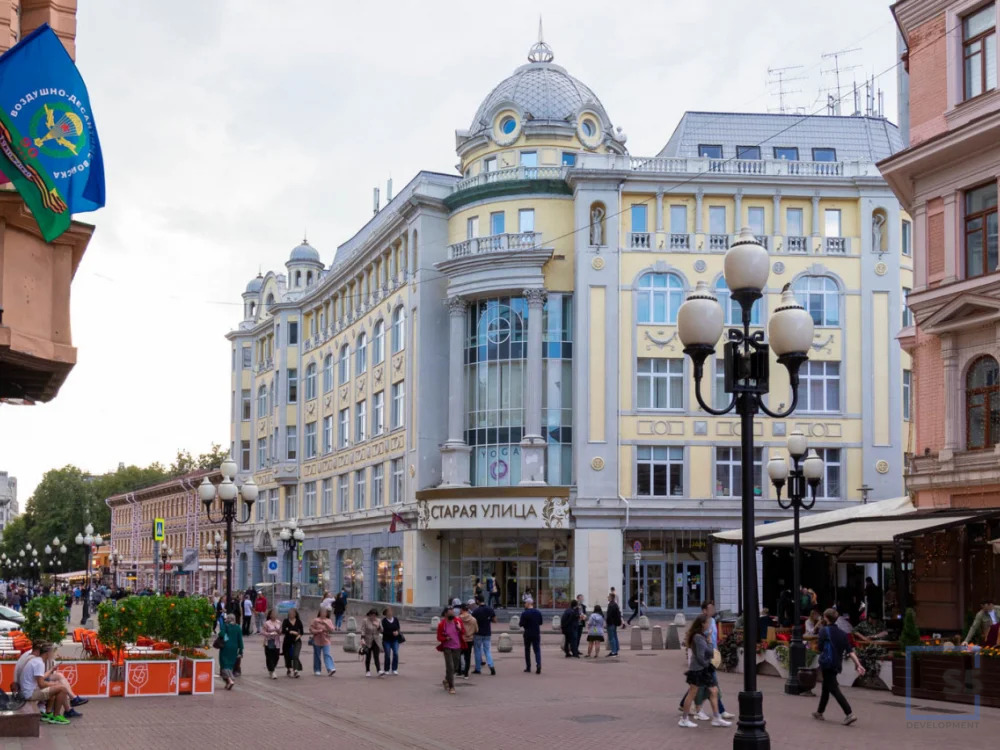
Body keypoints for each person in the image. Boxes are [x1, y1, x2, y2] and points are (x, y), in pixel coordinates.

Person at [678, 615, 730, 728]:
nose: (709, 625)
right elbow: (703, 656)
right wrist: (708, 663)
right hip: (699, 670)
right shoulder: (698, 637)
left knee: (714, 691)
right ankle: (684, 719)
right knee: (692, 693)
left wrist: (710, 641)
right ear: (702, 624)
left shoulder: (701, 637)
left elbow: (709, 652)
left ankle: (716, 717)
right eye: (708, 623)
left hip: (703, 669)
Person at [814, 607, 864, 725]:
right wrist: (858, 664)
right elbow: (850, 651)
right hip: (836, 663)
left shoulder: (823, 631)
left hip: (827, 663)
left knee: (833, 688)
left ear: (825, 618)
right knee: (826, 687)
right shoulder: (842, 634)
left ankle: (849, 713)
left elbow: (820, 648)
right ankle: (819, 712)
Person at [15, 642, 71, 724]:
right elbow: (42, 684)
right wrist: (56, 685)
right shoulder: (39, 663)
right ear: (47, 653)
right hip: (29, 694)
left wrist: (52, 670)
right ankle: (56, 716)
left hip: (28, 692)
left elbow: (42, 677)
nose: (53, 654)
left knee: (55, 688)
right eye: (52, 652)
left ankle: (47, 713)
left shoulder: (36, 661)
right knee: (62, 689)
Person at [436, 606, 464, 694]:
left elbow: (463, 632)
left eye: (452, 611)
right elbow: (439, 637)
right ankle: (452, 687)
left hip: (457, 647)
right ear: (445, 614)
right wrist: (445, 639)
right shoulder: (442, 624)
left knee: (455, 667)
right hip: (447, 647)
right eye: (450, 612)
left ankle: (446, 680)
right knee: (450, 667)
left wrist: (460, 628)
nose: (452, 613)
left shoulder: (457, 621)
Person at [471, 596, 496, 675]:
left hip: (478, 633)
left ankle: (478, 669)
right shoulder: (489, 609)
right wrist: (489, 619)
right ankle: (491, 665)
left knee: (477, 651)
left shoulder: (475, 611)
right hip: (487, 632)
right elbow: (495, 620)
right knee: (487, 650)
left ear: (477, 601)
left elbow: (472, 622)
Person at [218, 613, 244, 690]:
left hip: (225, 647)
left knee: (224, 664)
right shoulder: (238, 627)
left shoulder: (225, 626)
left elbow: (221, 634)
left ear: (228, 619)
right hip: (234, 648)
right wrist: (241, 651)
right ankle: (227, 682)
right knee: (230, 665)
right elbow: (240, 640)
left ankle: (230, 679)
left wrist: (223, 630)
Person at [308, 607, 336, 676]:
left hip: (326, 640)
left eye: (325, 612)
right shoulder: (316, 620)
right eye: (322, 612)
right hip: (317, 640)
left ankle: (330, 668)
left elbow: (332, 630)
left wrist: (325, 624)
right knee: (317, 655)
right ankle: (317, 670)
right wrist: (317, 631)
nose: (323, 614)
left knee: (327, 654)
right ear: (320, 613)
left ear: (327, 613)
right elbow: (311, 629)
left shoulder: (329, 621)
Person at [520, 596, 543, 674]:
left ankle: (528, 667)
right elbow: (540, 622)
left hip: (527, 633)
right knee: (537, 650)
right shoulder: (538, 612)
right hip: (536, 633)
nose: (524, 605)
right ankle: (538, 664)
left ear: (529, 603)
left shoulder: (524, 613)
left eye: (525, 603)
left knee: (527, 650)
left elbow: (521, 624)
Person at [281, 607, 304, 678]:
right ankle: (288, 668)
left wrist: (298, 636)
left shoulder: (298, 621)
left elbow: (301, 632)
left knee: (295, 655)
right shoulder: (286, 621)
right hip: (287, 642)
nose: (291, 614)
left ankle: (296, 670)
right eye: (290, 613)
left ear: (295, 614)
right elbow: (283, 630)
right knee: (287, 656)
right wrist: (291, 631)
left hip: (297, 641)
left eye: (293, 613)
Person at [360, 608, 384, 677]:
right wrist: (362, 639)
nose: (373, 617)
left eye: (374, 615)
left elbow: (382, 630)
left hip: (376, 640)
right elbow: (363, 630)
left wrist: (378, 626)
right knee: (368, 656)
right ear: (369, 614)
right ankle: (367, 670)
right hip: (367, 640)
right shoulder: (365, 621)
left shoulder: (378, 620)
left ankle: (379, 670)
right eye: (372, 615)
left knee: (376, 656)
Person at [457, 601, 477, 678]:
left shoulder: (458, 619)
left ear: (461, 609)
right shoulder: (473, 619)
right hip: (470, 639)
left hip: (461, 639)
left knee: (459, 654)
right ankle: (466, 674)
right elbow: (476, 630)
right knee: (468, 656)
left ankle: (459, 670)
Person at [262, 607, 282, 679]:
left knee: (276, 656)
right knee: (269, 657)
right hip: (269, 641)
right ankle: (272, 671)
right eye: (273, 614)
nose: (274, 615)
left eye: (275, 614)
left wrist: (278, 631)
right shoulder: (267, 623)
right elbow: (263, 632)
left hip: (277, 642)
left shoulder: (279, 622)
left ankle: (272, 668)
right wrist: (269, 634)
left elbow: (280, 632)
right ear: (270, 615)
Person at [381, 606, 402, 675]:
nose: (390, 613)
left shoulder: (395, 619)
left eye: (391, 611)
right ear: (386, 613)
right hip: (386, 640)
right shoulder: (384, 621)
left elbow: (398, 628)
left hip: (395, 640)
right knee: (387, 654)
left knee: (395, 653)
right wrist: (391, 633)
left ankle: (394, 669)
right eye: (388, 611)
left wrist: (397, 632)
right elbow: (383, 631)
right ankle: (386, 669)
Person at [605, 592, 622, 657]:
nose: (608, 598)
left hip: (611, 623)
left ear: (611, 597)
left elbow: (609, 615)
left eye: (608, 597)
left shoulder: (611, 605)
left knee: (611, 638)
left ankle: (613, 651)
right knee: (615, 636)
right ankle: (616, 650)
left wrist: (607, 623)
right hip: (614, 623)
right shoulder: (615, 604)